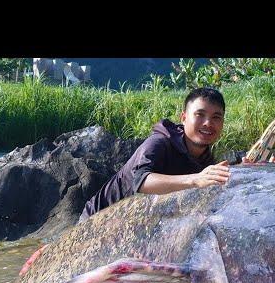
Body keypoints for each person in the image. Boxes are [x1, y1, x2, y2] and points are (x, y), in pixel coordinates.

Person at [78, 87, 231, 223]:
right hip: (97, 221)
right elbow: (140, 181)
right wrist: (195, 179)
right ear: (184, 118)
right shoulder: (160, 142)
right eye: (200, 114)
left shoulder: (205, 158)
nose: (208, 123)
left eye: (216, 117)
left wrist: (243, 167)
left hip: (141, 223)